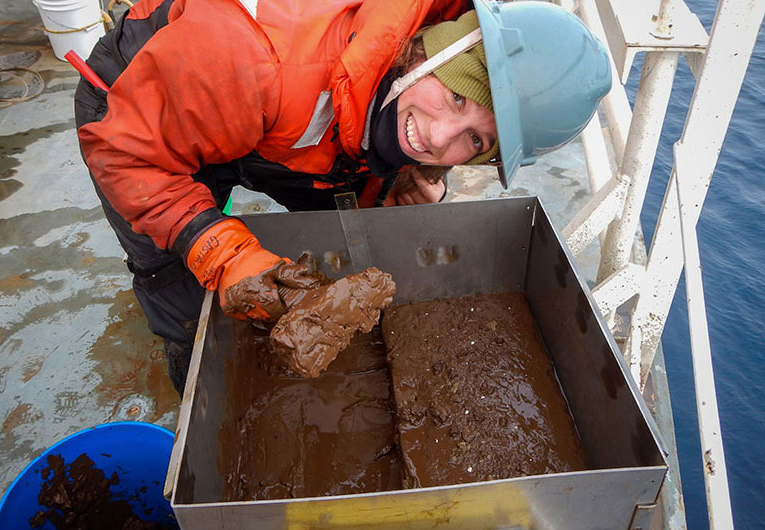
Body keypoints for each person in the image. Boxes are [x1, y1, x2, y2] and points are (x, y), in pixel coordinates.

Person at [74, 0, 611, 395]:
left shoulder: (405, 79)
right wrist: (216, 248)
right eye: (454, 96)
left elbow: (377, 131)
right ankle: (188, 355)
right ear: (425, 54)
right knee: (179, 269)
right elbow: (129, 151)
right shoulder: (262, 59)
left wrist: (405, 181)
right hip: (141, 107)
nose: (440, 136)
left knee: (347, 228)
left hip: (279, 117)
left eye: (476, 141)